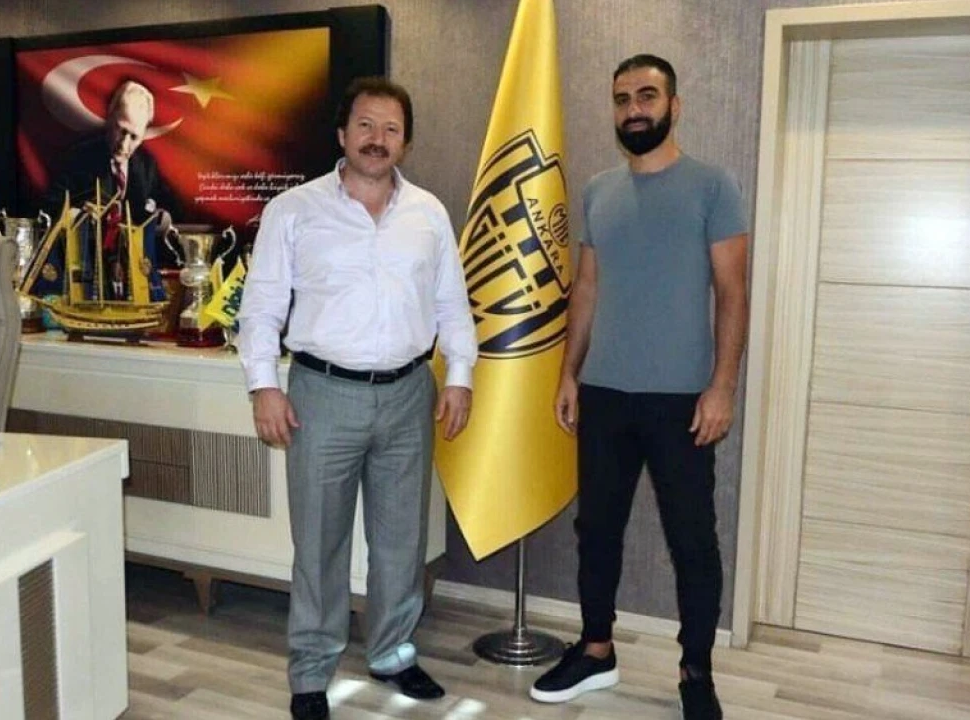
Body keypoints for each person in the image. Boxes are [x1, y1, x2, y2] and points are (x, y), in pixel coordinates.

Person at [236, 77, 478, 720]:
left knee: (401, 540)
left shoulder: (428, 212)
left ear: (405, 142)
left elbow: (451, 302)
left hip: (408, 395)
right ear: (342, 134)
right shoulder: (294, 210)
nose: (378, 139)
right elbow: (262, 305)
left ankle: (393, 652)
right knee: (319, 543)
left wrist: (460, 375)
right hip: (321, 395)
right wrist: (263, 385)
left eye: (391, 129)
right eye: (366, 125)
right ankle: (311, 671)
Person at [529, 54, 749, 720]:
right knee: (596, 529)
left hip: (682, 401)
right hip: (603, 393)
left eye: (647, 96)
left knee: (692, 541)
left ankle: (695, 672)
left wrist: (722, 387)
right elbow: (586, 288)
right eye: (623, 98)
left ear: (674, 106)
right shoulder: (598, 191)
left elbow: (733, 292)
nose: (634, 109)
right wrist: (568, 373)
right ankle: (596, 650)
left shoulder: (713, 186)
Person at [43, 79, 181, 283]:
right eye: (121, 130)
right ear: (110, 116)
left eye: (134, 137)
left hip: (132, 275)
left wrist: (163, 218)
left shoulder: (147, 165)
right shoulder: (77, 157)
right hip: (84, 272)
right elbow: (48, 207)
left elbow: (169, 207)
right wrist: (77, 215)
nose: (124, 144)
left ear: (144, 134)